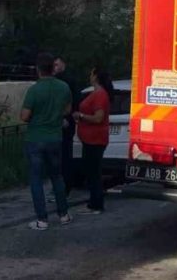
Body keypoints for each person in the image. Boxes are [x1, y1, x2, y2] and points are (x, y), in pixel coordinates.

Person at [21, 52, 73, 230]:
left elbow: (24, 116)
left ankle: (42, 219)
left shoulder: (34, 90)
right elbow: (67, 109)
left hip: (35, 138)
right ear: (52, 68)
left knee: (36, 179)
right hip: (55, 137)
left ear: (38, 70)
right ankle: (64, 214)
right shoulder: (64, 87)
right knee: (57, 176)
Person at [73, 68, 113, 215]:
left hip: (95, 139)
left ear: (96, 77)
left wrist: (81, 116)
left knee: (93, 172)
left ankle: (96, 204)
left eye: (91, 74)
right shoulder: (96, 93)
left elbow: (98, 117)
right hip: (89, 138)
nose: (89, 76)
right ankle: (94, 202)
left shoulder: (100, 95)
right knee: (91, 171)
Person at [53, 56, 81, 196]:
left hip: (65, 123)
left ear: (63, 64)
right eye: (54, 65)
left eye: (57, 64)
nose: (55, 67)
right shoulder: (58, 81)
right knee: (60, 156)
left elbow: (72, 101)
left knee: (64, 155)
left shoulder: (66, 82)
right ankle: (62, 186)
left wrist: (66, 118)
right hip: (62, 122)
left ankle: (65, 186)